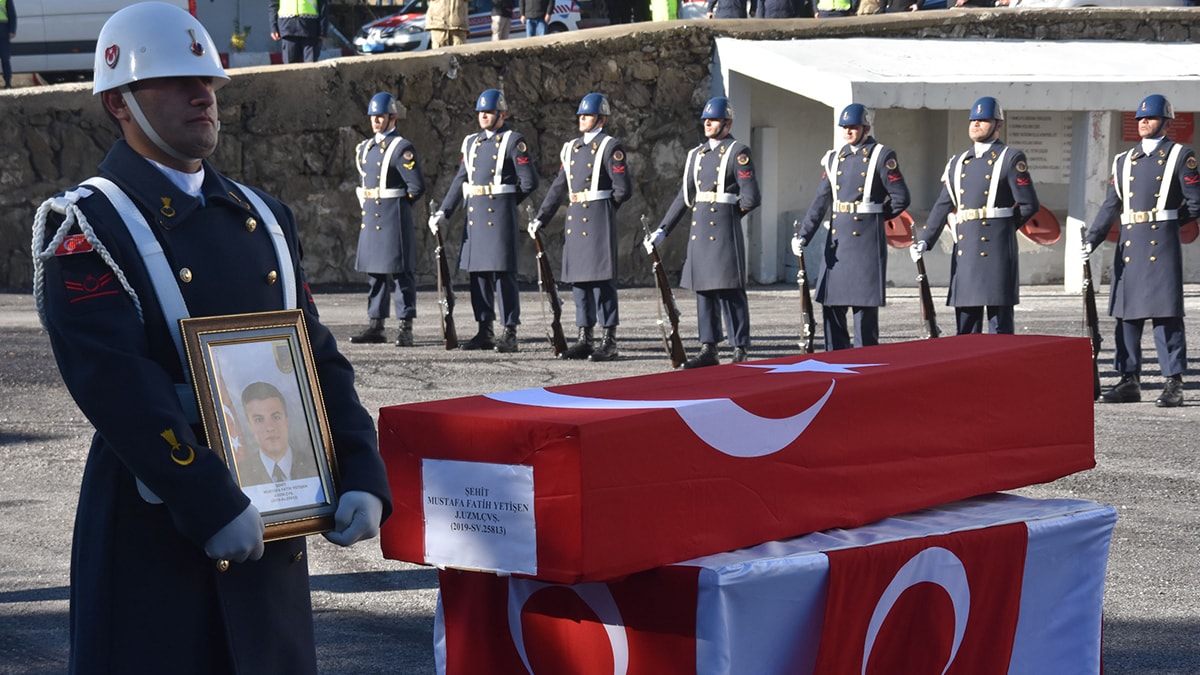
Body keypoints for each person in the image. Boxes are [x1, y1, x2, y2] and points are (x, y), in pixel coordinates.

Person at [29, 4, 390, 672]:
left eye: (210, 81)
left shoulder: (265, 216)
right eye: (175, 81)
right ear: (118, 102)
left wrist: (359, 466)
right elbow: (115, 385)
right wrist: (208, 499)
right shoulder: (86, 226)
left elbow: (314, 357)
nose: (203, 95)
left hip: (270, 535)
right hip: (158, 533)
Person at [1083, 94, 1200, 408]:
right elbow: (1111, 205)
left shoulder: (1180, 155)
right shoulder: (1123, 160)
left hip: (1161, 246)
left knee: (1166, 316)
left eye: (1150, 117)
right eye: (1140, 118)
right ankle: (1129, 379)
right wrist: (1091, 240)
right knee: (1126, 316)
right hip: (1131, 245)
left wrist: (1168, 222)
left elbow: (1195, 202)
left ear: (1166, 121)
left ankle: (1173, 382)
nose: (1143, 122)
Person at [644, 96, 761, 369]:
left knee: (730, 289)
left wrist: (729, 216)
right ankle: (709, 346)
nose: (707, 123)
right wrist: (663, 230)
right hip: (700, 228)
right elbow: (684, 197)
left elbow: (751, 197)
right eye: (706, 119)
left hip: (724, 228)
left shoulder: (738, 152)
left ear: (727, 123)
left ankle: (739, 346)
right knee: (704, 290)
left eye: (714, 119)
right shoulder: (696, 155)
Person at [912, 96, 1039, 336]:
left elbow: (1029, 204)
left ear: (998, 125)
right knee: (966, 324)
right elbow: (943, 205)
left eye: (983, 120)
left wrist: (1002, 228)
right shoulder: (957, 162)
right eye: (973, 120)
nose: (976, 124)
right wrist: (925, 240)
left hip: (997, 251)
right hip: (967, 250)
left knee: (999, 325)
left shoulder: (1010, 158)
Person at [428, 88, 538, 353]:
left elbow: (529, 181)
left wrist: (505, 201)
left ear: (502, 115)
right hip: (476, 216)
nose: (484, 116)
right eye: (481, 112)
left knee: (503, 275)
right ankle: (484, 329)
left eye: (489, 112)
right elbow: (461, 179)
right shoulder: (471, 143)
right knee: (478, 275)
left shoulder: (513, 141)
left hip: (499, 217)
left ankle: (509, 331)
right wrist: (444, 211)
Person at [795, 103, 911, 351]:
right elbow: (821, 201)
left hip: (865, 242)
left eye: (853, 127)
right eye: (844, 127)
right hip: (838, 244)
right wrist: (804, 234)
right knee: (832, 305)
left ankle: (865, 363)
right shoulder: (834, 158)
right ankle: (835, 361)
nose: (848, 131)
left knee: (863, 309)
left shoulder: (882, 156)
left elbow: (901, 198)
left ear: (866, 128)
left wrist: (875, 217)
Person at [529, 93, 633, 362]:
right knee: (580, 282)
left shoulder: (610, 146)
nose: (582, 119)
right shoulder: (571, 148)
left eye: (587, 115)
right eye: (581, 115)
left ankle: (608, 340)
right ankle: (585, 338)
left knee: (602, 282)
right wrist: (542, 217)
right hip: (576, 218)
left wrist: (604, 209)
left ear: (601, 119)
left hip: (597, 218)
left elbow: (622, 189)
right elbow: (559, 187)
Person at [348, 92, 426, 347]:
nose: (375, 121)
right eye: (373, 116)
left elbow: (416, 186)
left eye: (380, 116)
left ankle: (405, 325)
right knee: (376, 273)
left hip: (393, 217)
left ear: (392, 118)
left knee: (402, 274)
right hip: (372, 216)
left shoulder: (402, 148)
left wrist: (398, 206)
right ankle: (376, 323)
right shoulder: (366, 148)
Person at [237, 382, 319, 486]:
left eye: (276, 417)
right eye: (259, 420)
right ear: (250, 426)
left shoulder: (315, 467)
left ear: (286, 420)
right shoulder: (240, 474)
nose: (270, 427)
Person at [0, 0, 14, 89]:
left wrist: (12, 30)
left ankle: (8, 83)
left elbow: (12, 14)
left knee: (5, 58)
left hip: (3, 31)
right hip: (3, 30)